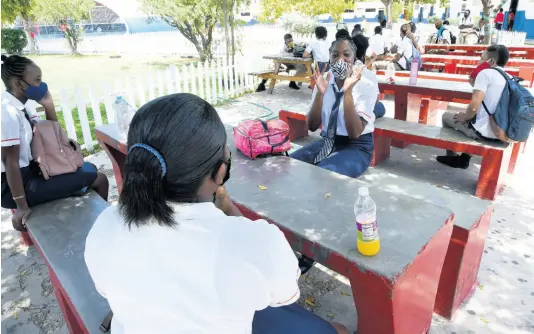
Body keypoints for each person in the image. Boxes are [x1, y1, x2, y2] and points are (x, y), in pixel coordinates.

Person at [84, 93, 348, 334]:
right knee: (333, 330)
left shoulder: (106, 225)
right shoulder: (252, 242)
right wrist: (230, 210)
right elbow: (284, 291)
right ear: (220, 173)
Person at [1, 54, 109, 231]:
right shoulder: (7, 112)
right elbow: (9, 161)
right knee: (100, 179)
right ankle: (100, 230)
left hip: (34, 171)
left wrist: (48, 106)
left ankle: (77, 202)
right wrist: (21, 205)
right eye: (37, 80)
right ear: (19, 83)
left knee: (89, 169)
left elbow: (51, 134)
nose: (41, 85)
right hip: (16, 185)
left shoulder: (23, 106)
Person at [290, 30, 378, 179]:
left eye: (346, 55)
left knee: (325, 172)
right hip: (328, 141)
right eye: (335, 55)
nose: (340, 60)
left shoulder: (365, 85)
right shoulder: (324, 79)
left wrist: (348, 92)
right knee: (291, 163)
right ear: (329, 58)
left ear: (354, 57)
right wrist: (320, 93)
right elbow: (312, 126)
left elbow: (355, 132)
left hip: (356, 146)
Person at [436, 45, 510, 169]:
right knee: (474, 118)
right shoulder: (509, 77)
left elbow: (474, 107)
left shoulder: (485, 74)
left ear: (491, 61)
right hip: (503, 133)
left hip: (485, 132)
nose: (478, 62)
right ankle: (465, 158)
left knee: (446, 117)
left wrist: (465, 117)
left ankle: (453, 157)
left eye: (481, 59)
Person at [352, 34, 385, 119]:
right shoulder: (370, 74)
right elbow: (376, 100)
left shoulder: (344, 69)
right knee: (380, 107)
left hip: (346, 108)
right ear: (365, 52)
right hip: (359, 113)